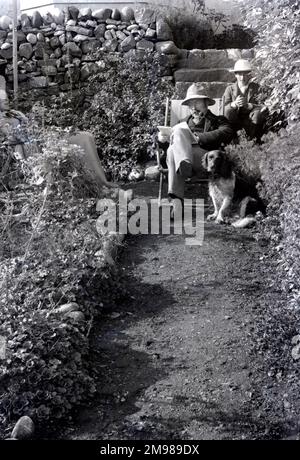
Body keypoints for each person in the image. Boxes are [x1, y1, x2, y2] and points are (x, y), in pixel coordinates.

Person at [0, 88, 117, 189]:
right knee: (80, 140)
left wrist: (29, 123)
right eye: (3, 100)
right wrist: (26, 133)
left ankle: (99, 180)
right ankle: (93, 182)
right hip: (28, 144)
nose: (7, 101)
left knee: (86, 136)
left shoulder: (16, 113)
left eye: (7, 99)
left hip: (40, 137)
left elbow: (33, 126)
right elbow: (12, 137)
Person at [158, 84, 234, 209]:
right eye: (190, 104)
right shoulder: (182, 122)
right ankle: (184, 166)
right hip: (182, 164)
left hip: (205, 161)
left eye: (197, 103)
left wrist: (200, 137)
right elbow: (167, 142)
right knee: (172, 149)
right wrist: (162, 140)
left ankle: (176, 202)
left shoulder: (217, 120)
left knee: (174, 147)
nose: (193, 107)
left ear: (206, 103)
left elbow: (227, 131)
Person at [223, 59, 267, 140]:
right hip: (235, 121)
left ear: (250, 75)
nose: (242, 78)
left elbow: (264, 106)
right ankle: (233, 142)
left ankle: (253, 142)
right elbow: (223, 108)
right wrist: (234, 104)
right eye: (239, 74)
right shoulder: (229, 89)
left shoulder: (257, 88)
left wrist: (249, 106)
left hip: (252, 123)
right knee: (228, 111)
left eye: (245, 74)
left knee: (258, 114)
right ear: (235, 75)